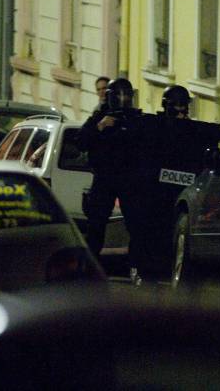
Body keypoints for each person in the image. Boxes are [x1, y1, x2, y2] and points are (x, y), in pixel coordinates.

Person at [138, 85, 220, 279]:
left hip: (183, 194)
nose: (182, 111)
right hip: (157, 194)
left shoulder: (195, 131)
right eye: (178, 106)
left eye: (184, 107)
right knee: (153, 232)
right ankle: (147, 269)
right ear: (167, 105)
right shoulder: (154, 126)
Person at [77, 78, 147, 284]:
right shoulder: (100, 117)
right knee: (96, 226)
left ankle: (137, 268)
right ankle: (90, 268)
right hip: (105, 179)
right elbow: (81, 141)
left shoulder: (137, 119)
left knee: (137, 226)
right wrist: (99, 127)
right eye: (119, 95)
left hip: (128, 180)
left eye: (126, 95)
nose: (123, 99)